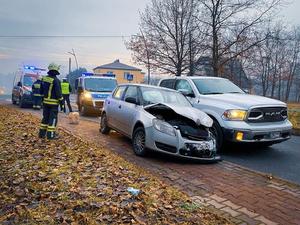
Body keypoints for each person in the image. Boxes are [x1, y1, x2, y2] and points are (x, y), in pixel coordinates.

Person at [38, 63, 64, 140]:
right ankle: (51, 135)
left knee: (45, 118)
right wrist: (62, 103)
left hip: (45, 103)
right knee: (53, 120)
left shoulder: (44, 79)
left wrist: (43, 99)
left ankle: (41, 134)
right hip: (53, 104)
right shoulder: (56, 81)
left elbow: (41, 91)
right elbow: (58, 93)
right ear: (56, 71)